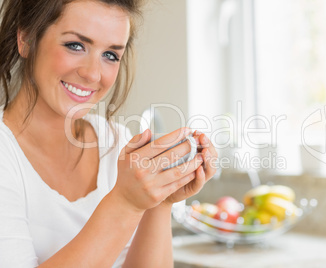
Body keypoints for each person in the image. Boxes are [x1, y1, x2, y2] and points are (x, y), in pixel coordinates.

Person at [0, 0, 217, 267]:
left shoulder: (115, 142)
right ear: (26, 39)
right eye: (75, 45)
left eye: (110, 55)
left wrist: (160, 200)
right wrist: (125, 203)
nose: (93, 74)